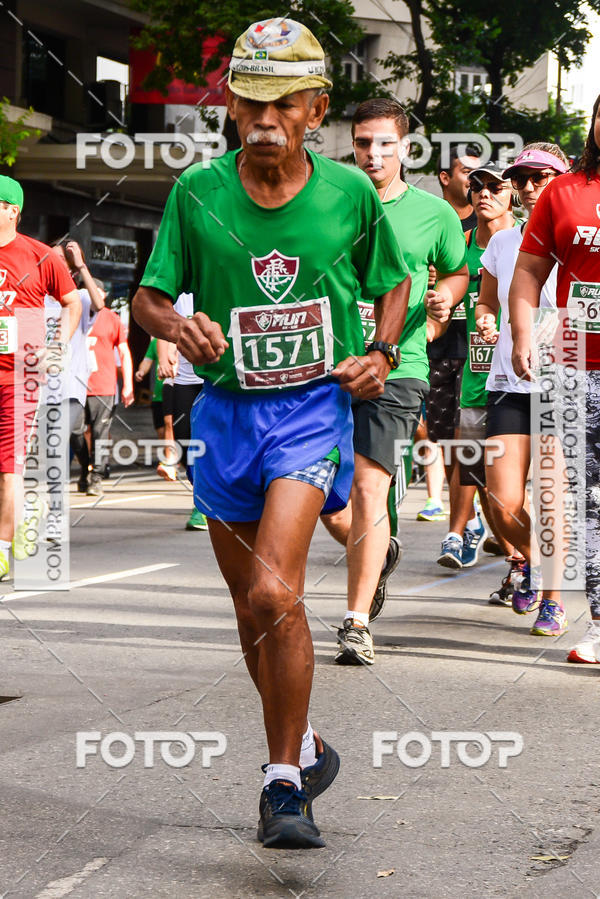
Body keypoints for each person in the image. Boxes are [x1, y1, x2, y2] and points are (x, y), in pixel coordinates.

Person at [132, 18, 411, 849]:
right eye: (251, 97)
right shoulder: (198, 193)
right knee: (253, 612)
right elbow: (148, 297)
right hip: (224, 419)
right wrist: (176, 331)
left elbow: (392, 282)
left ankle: (282, 782)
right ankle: (309, 744)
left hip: (309, 413)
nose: (265, 115)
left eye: (285, 101)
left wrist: (380, 351)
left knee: (273, 589)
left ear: (314, 109)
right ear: (228, 101)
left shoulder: (348, 195)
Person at [321, 98, 468, 666]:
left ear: (407, 149)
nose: (374, 154)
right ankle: (378, 551)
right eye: (363, 143)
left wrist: (445, 299)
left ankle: (355, 622)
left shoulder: (434, 214)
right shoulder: (330, 203)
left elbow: (457, 268)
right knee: (320, 500)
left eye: (386, 143)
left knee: (366, 487)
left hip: (398, 366)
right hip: (326, 365)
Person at [510, 94, 600, 662]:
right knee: (587, 499)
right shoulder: (565, 192)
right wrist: (522, 333)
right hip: (574, 362)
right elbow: (527, 272)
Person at [474, 142, 568, 627]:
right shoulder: (503, 243)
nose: (528, 187)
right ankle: (537, 561)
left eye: (540, 177)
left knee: (551, 499)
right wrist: (487, 322)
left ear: (563, 178)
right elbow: (486, 301)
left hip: (564, 382)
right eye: (522, 178)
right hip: (510, 381)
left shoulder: (581, 238)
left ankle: (553, 596)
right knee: (501, 501)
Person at [0, 175, 81, 580]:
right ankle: (24, 516)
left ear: (11, 210)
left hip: (20, 377)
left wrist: (57, 346)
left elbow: (71, 303)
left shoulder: (39, 256)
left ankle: (0, 549)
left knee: (9, 465)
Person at [437, 162, 516, 570]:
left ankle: (519, 558)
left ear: (511, 193)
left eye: (495, 186)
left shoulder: (527, 243)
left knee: (507, 482)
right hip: (473, 370)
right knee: (468, 458)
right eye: (477, 186)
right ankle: (460, 533)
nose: (483, 193)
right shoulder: (463, 243)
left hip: (522, 382)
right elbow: (453, 294)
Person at [422, 147, 481, 528]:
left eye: (481, 175)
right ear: (445, 177)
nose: (476, 183)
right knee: (442, 436)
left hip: (477, 346)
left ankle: (467, 519)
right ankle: (471, 512)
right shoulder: (429, 221)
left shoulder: (490, 217)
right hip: (435, 343)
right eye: (467, 173)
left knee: (471, 434)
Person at [47, 242, 105, 492]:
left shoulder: (79, 298)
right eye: (52, 257)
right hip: (41, 385)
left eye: (62, 258)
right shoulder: (37, 301)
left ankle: (80, 472)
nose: (56, 261)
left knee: (65, 435)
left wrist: (81, 264)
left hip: (71, 385)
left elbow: (99, 304)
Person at [157, 293, 207, 530]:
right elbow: (163, 327)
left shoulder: (214, 285)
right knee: (184, 441)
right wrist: (163, 357)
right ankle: (204, 495)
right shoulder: (179, 297)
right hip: (185, 378)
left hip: (214, 379)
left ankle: (203, 506)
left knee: (212, 442)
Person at [81, 299, 134, 496]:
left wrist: (128, 384)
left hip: (103, 385)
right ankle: (87, 466)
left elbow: (124, 351)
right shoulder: (73, 312)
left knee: (99, 432)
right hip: (75, 385)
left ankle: (96, 476)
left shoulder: (112, 318)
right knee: (76, 431)